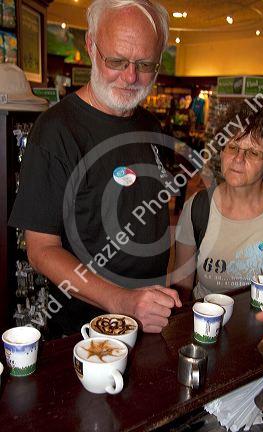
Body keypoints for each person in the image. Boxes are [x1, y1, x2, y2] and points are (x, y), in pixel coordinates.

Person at [9, 0, 181, 336]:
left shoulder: (150, 124)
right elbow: (41, 249)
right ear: (91, 46)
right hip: (83, 333)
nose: (131, 77)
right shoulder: (56, 130)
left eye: (145, 64)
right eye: (116, 60)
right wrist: (122, 301)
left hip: (148, 322)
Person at [172, 100, 263, 302]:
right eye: (232, 146)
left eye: (253, 152)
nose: (238, 159)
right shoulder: (197, 209)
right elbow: (181, 290)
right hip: (210, 329)